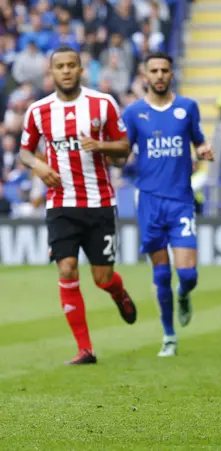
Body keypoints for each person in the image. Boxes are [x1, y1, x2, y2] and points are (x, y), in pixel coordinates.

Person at [19, 46, 137, 365]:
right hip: (60, 205)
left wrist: (100, 145)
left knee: (101, 277)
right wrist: (39, 167)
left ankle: (117, 292)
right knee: (67, 268)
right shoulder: (38, 111)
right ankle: (85, 349)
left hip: (99, 203)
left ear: (81, 69)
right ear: (52, 71)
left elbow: (124, 149)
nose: (67, 71)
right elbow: (25, 151)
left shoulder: (102, 103)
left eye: (72, 65)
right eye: (60, 66)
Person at [121, 52, 213, 357]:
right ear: (145, 75)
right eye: (154, 70)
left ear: (171, 74)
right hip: (148, 201)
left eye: (164, 70)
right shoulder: (134, 113)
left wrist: (203, 149)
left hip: (181, 201)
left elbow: (198, 140)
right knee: (161, 274)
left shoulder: (187, 107)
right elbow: (124, 153)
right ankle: (169, 336)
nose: (159, 75)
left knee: (187, 274)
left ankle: (184, 295)